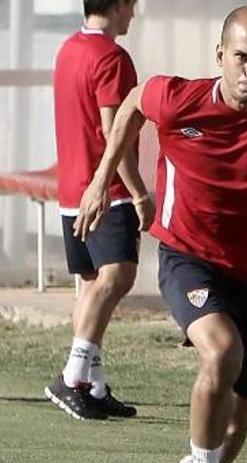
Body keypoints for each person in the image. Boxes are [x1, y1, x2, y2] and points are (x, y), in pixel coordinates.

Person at [75, 6, 247, 463]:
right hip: (188, 255)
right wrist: (101, 180)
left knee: (237, 420)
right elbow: (132, 103)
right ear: (220, 55)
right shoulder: (178, 100)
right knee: (222, 352)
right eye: (240, 57)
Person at [45, 0, 150, 421]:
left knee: (91, 284)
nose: (134, 15)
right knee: (118, 275)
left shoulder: (68, 48)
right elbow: (115, 130)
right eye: (133, 6)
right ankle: (72, 377)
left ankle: (93, 383)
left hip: (71, 188)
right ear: (120, 5)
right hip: (105, 190)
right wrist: (139, 192)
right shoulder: (112, 57)